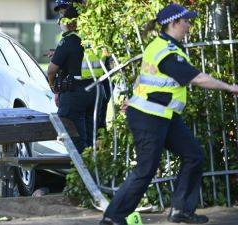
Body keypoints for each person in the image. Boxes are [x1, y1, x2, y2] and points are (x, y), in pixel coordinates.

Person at [100, 3, 238, 225]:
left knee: (193, 155)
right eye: (186, 22)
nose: (189, 26)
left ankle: (180, 210)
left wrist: (133, 98)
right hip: (149, 116)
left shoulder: (164, 47)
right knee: (146, 169)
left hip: (163, 115)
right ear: (174, 23)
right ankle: (112, 218)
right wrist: (230, 87)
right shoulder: (166, 51)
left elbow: (142, 77)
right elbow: (197, 78)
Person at [47, 0, 103, 153]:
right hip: (96, 91)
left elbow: (51, 71)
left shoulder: (69, 39)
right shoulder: (94, 38)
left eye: (64, 13)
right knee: (91, 139)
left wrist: (54, 88)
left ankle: (83, 174)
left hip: (76, 93)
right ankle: (94, 172)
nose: (61, 17)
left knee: (75, 140)